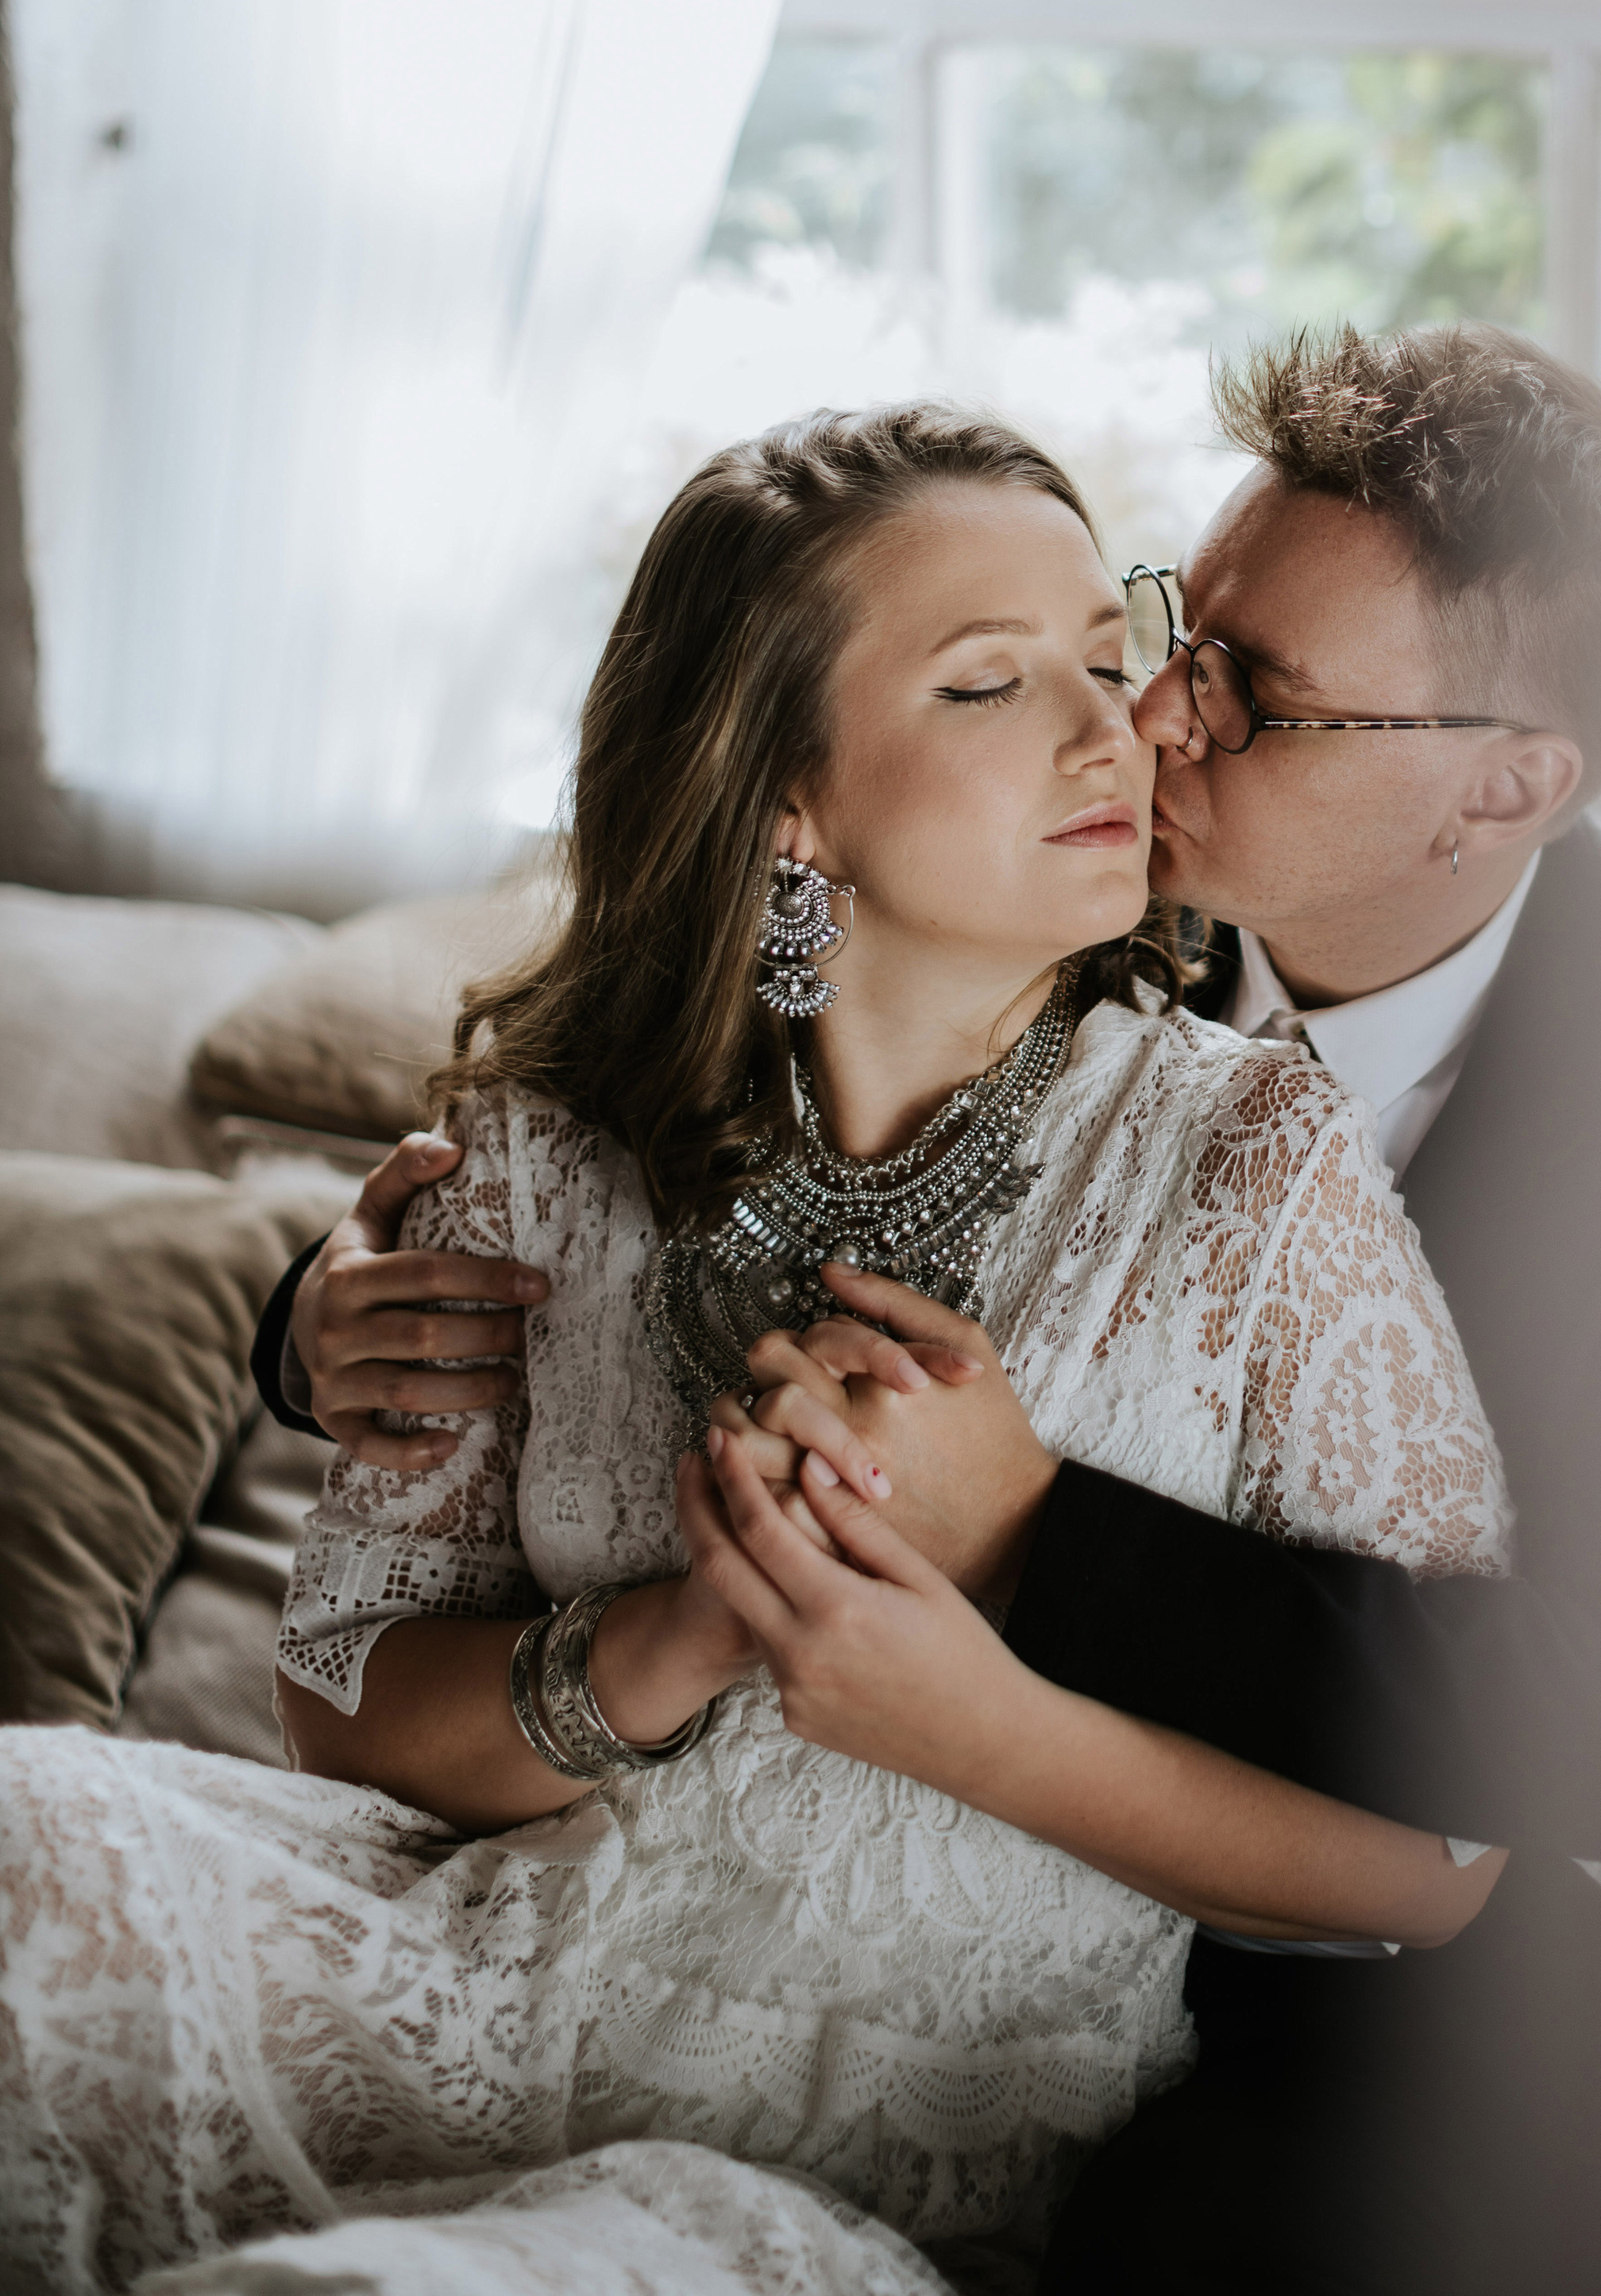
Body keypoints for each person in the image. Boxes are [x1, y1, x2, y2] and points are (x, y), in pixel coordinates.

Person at [264, 327, 1601, 2292]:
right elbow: (672, 1083)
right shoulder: (1037, 881)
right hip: (667, 1913)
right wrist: (325, 1316)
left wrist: (1031, 1527)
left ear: (1496, 790)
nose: (1150, 712)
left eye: (1258, 694)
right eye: (1173, 624)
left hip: (1393, 2000)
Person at [2, 401, 1523, 2294]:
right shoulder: (536, 1145)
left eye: (1110, 662)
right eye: (988, 686)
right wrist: (672, 1639)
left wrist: (982, 1726)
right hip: (469, 1987)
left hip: (911, 2127)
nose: (1110, 729)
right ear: (782, 798)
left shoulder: (1254, 1155)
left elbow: (1458, 1849)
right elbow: (337, 1690)